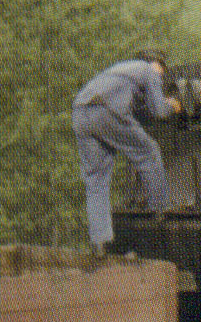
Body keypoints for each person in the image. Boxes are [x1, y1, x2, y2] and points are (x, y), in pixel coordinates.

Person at [71, 49, 181, 254]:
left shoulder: (120, 70)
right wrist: (174, 105)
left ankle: (100, 242)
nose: (161, 76)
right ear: (157, 64)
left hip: (79, 112)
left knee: (96, 179)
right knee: (149, 152)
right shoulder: (149, 70)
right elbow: (159, 111)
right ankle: (161, 212)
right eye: (162, 71)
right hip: (107, 112)